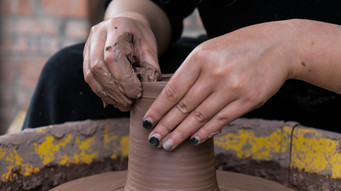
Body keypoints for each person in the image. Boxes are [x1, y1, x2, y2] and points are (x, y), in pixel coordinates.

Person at [23, 0, 341, 151]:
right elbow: (152, 4)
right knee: (66, 77)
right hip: (235, 84)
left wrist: (294, 46)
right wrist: (129, 22)